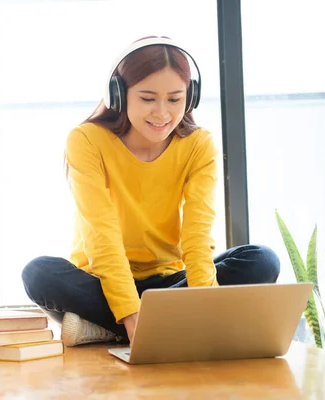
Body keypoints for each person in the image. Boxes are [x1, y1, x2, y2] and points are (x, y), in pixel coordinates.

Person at [21, 36, 281, 348]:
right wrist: (130, 312)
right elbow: (101, 234)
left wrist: (209, 308)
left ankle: (105, 327)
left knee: (262, 260)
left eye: (174, 99)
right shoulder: (86, 140)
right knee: (37, 272)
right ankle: (146, 321)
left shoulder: (199, 145)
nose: (162, 114)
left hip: (170, 281)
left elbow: (197, 237)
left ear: (191, 96)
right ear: (118, 94)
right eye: (147, 98)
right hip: (101, 281)